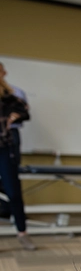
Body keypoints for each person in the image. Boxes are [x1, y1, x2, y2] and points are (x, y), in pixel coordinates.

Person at [0, 62, 35, 250]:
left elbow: (24, 112)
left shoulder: (9, 95)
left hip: (5, 147)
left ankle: (22, 233)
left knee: (13, 191)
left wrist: (15, 116)